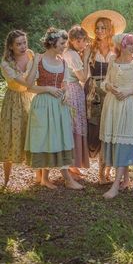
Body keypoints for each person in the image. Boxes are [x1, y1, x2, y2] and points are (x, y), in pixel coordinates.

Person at [24, 27, 82, 190]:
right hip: (43, 103)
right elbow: (29, 87)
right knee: (45, 138)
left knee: (58, 137)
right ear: (52, 42)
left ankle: (60, 178)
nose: (65, 46)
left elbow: (63, 84)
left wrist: (64, 92)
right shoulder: (39, 60)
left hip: (59, 105)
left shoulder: (62, 61)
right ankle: (46, 178)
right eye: (63, 43)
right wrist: (48, 89)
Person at [81, 10, 126, 184]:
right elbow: (84, 74)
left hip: (111, 91)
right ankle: (101, 173)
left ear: (110, 29)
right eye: (97, 28)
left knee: (112, 130)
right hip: (94, 93)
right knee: (98, 130)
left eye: (103, 28)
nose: (99, 31)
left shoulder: (117, 49)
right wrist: (85, 59)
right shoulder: (90, 49)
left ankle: (108, 170)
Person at [99, 34, 133, 199]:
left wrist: (128, 91)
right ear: (121, 46)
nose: (132, 48)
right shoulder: (113, 60)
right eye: (129, 45)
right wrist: (110, 87)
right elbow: (104, 82)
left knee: (123, 141)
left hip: (129, 105)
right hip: (112, 104)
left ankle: (115, 186)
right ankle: (125, 179)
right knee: (116, 139)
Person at [0, 30, 39, 186]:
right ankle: (7, 179)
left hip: (31, 98)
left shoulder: (30, 56)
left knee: (34, 133)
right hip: (14, 101)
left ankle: (39, 176)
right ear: (11, 46)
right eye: (18, 44)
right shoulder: (5, 63)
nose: (23, 46)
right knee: (10, 135)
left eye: (24, 42)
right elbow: (26, 83)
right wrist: (36, 62)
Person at [63, 25, 90, 178]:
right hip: (73, 91)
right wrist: (85, 58)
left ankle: (72, 165)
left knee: (73, 125)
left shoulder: (69, 53)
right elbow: (83, 77)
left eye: (83, 40)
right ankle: (71, 165)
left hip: (71, 90)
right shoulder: (73, 55)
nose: (82, 44)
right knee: (74, 125)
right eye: (78, 41)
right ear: (71, 41)